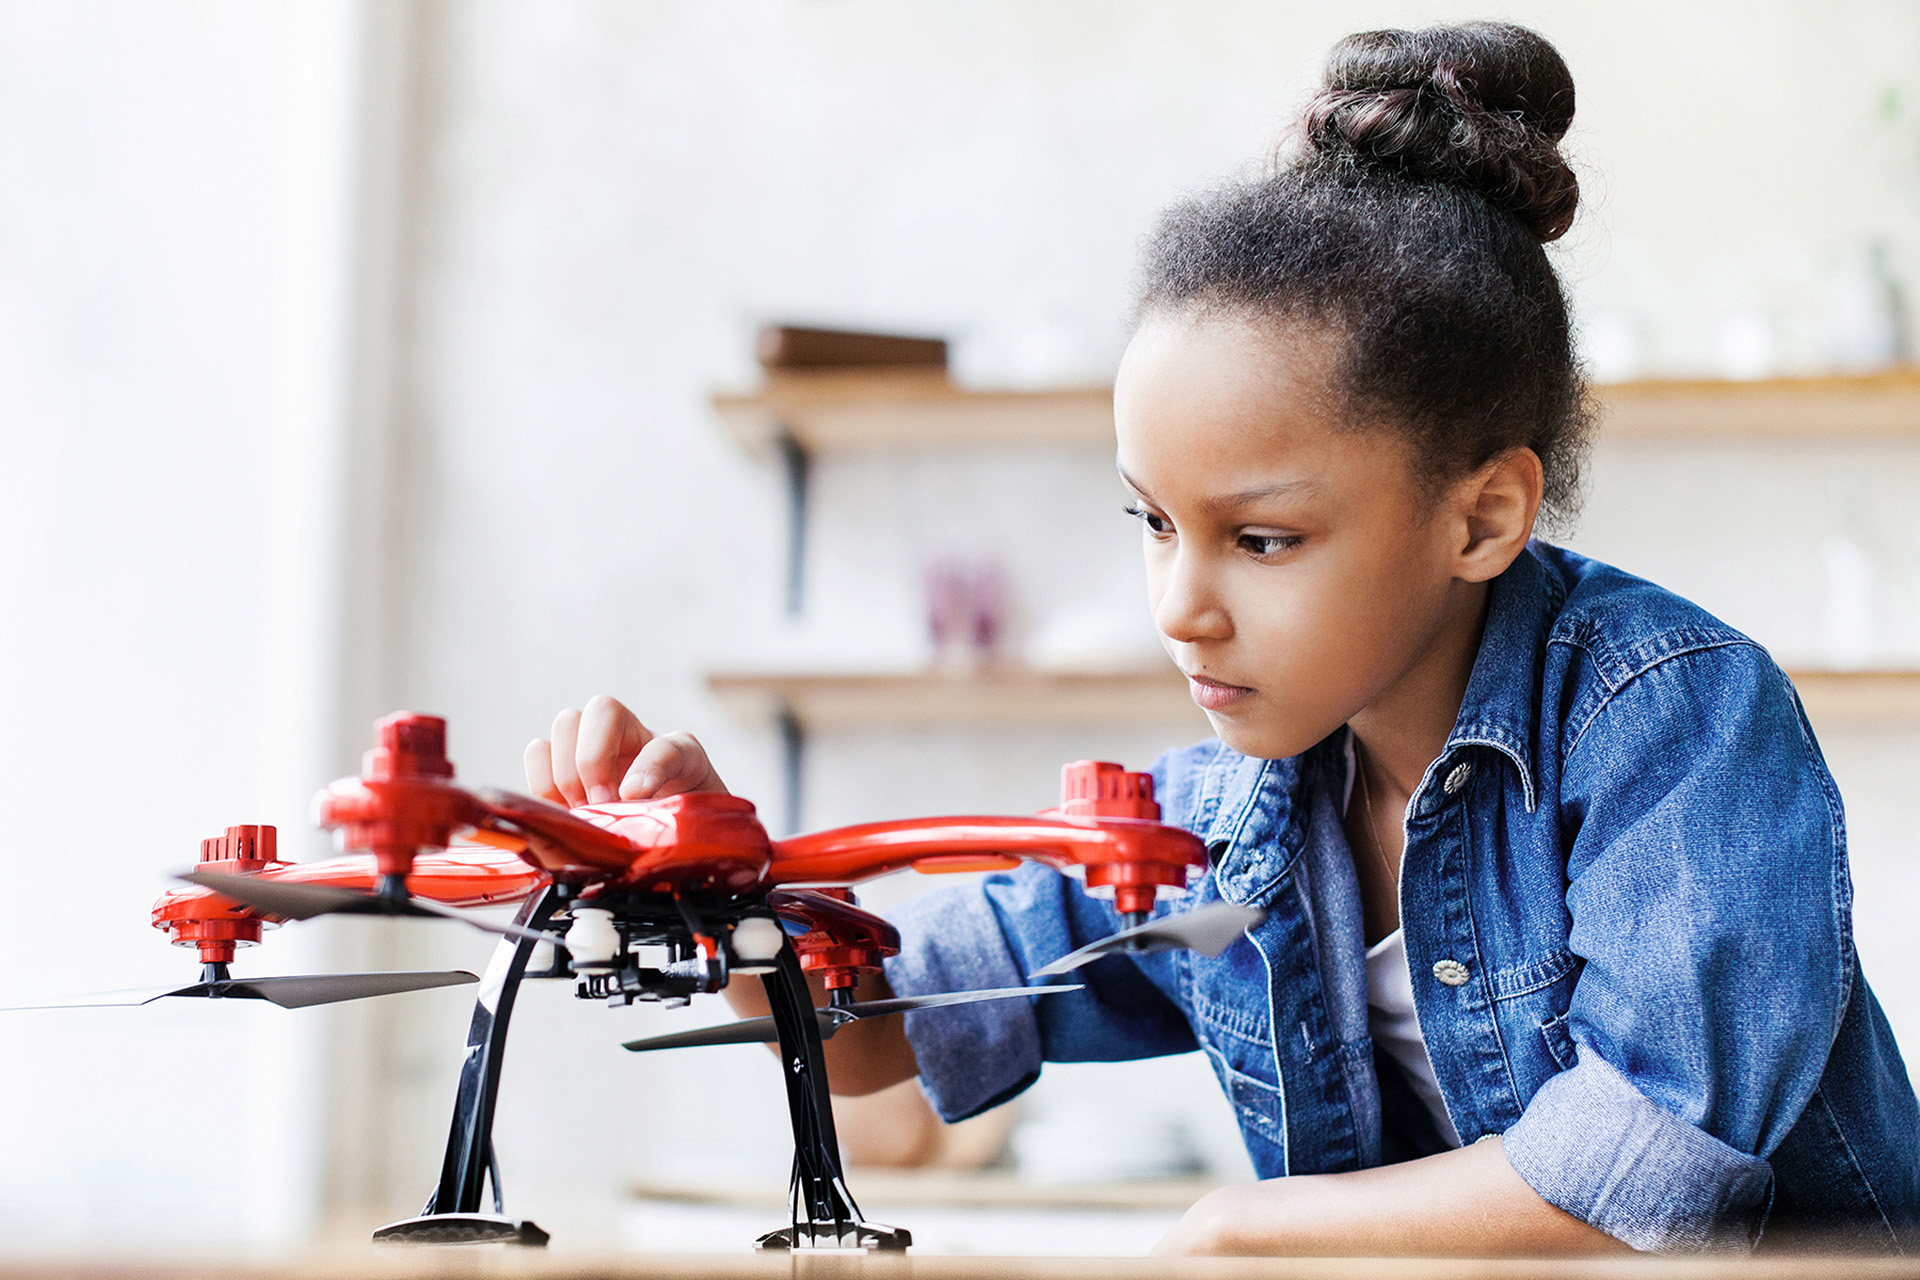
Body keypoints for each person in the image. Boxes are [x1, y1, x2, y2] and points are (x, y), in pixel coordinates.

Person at [524, 22, 1920, 1256]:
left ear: (1483, 515)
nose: (1180, 604)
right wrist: (707, 886)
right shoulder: (1221, 810)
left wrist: (1250, 1225)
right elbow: (884, 1022)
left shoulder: (1672, 719)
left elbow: (1643, 1183)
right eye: (1149, 522)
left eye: (1261, 540)